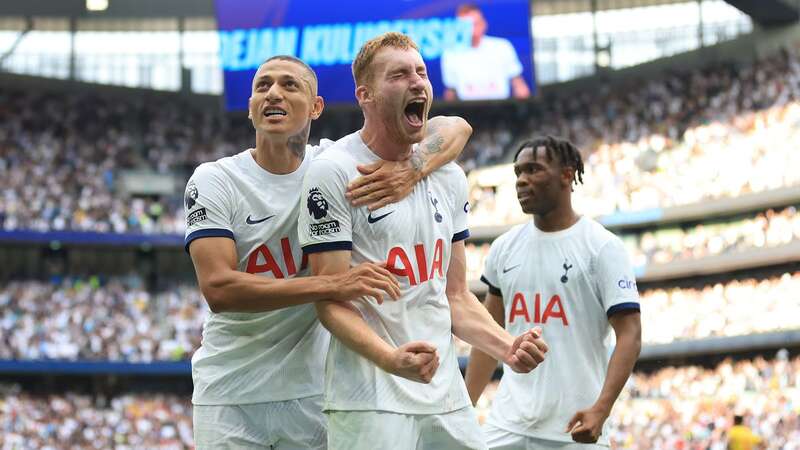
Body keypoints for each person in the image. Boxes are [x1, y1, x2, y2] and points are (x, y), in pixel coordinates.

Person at [185, 54, 473, 449]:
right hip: (230, 391)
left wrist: (414, 167)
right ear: (251, 108)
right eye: (262, 86)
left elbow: (456, 126)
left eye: (289, 85)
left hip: (314, 392)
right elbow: (219, 290)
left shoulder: (332, 166)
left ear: (316, 107)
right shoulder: (215, 180)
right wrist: (333, 283)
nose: (273, 93)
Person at [298, 32, 548, 450]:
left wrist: (508, 347)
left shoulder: (448, 176)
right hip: (369, 396)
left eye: (422, 73)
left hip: (444, 392)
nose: (417, 83)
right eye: (399, 75)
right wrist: (391, 360)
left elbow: (455, 296)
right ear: (367, 95)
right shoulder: (334, 172)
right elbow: (330, 300)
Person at [465, 136, 642, 449]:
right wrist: (466, 408)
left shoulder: (602, 247)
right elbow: (488, 335)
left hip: (574, 428)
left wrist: (601, 409)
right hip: (506, 426)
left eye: (534, 170)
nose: (522, 180)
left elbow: (630, 335)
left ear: (567, 174)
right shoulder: (504, 248)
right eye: (518, 172)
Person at [441, 3, 530, 101]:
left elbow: (518, 83)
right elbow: (451, 91)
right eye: (465, 26)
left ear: (483, 24)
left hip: (502, 109)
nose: (471, 30)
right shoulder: (450, 53)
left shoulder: (503, 46)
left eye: (474, 24)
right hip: (467, 111)